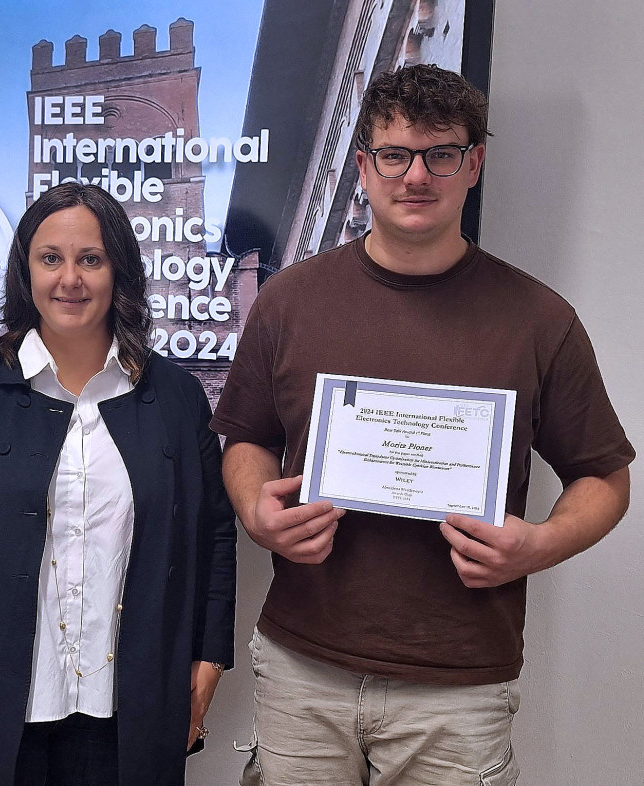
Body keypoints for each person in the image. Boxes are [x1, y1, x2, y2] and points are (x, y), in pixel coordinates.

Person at [212, 64, 634, 786]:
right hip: (302, 666)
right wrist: (255, 509)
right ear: (364, 167)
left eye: (441, 154)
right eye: (395, 154)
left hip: (460, 683)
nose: (416, 176)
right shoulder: (288, 302)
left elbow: (604, 476)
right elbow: (247, 436)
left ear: (473, 164)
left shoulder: (540, 320)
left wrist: (539, 544)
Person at [0, 182, 236, 786]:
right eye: (51, 259)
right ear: (26, 272)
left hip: (128, 702)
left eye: (90, 259)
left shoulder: (175, 396)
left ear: (118, 271)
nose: (69, 279)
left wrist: (208, 660)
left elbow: (214, 537)